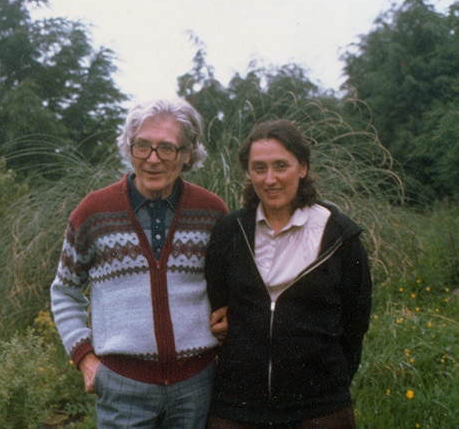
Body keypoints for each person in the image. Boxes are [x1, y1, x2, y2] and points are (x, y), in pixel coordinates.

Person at [51, 98, 229, 428]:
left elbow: (234, 286)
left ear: (188, 153)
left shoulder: (212, 212)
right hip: (123, 385)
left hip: (196, 384)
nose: (152, 159)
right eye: (142, 146)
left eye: (166, 148)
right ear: (129, 147)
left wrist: (229, 314)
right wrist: (85, 358)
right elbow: (65, 291)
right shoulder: (93, 212)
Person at [205, 120, 372, 428]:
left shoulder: (340, 235)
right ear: (248, 173)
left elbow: (356, 322)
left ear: (303, 168)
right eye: (259, 168)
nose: (270, 179)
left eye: (281, 165)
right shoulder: (229, 231)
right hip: (237, 409)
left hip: (319, 411)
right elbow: (219, 308)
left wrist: (328, 383)